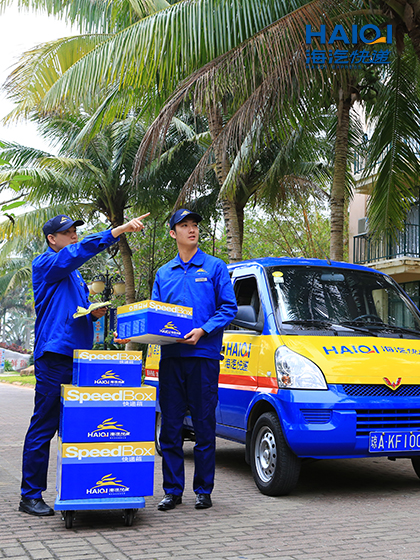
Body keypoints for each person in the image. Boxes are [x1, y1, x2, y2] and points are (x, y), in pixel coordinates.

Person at [19, 212, 149, 516]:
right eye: (67, 232)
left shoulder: (75, 276)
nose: (74, 235)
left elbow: (72, 310)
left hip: (80, 357)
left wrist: (91, 314)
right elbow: (77, 253)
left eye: (75, 230)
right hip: (55, 355)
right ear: (52, 239)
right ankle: (30, 495)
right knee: (44, 424)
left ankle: (79, 489)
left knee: (80, 427)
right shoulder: (46, 263)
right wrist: (116, 231)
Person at [151, 208, 237, 511]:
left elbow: (228, 308)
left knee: (203, 425)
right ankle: (172, 491)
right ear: (173, 233)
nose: (192, 229)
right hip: (172, 358)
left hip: (203, 357)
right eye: (184, 225)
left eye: (195, 225)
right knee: (171, 427)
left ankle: (203, 490)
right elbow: (155, 315)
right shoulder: (164, 273)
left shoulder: (214, 267)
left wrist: (203, 330)